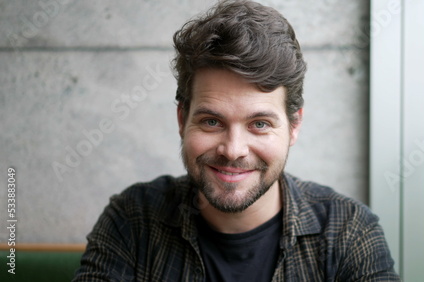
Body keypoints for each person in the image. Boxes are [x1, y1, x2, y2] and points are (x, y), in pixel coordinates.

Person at [73, 0, 400, 281]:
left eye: (259, 124)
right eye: (212, 121)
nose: (233, 150)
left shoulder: (349, 232)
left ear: (294, 125)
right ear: (182, 119)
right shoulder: (133, 220)